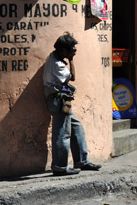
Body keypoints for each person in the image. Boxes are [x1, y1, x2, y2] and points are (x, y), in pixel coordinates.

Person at [43, 33, 101, 176]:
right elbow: (73, 77)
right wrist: (72, 60)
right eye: (71, 49)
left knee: (76, 128)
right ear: (63, 51)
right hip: (58, 100)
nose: (74, 51)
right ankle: (60, 166)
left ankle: (81, 160)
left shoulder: (55, 57)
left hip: (63, 98)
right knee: (62, 132)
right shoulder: (57, 64)